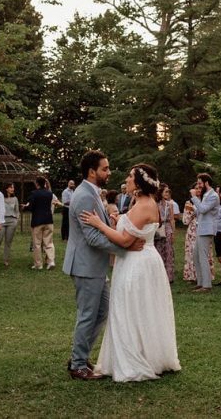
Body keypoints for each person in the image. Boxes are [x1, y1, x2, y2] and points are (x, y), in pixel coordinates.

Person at [79, 163, 181, 382]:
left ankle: (136, 359)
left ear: (139, 182)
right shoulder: (141, 202)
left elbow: (125, 240)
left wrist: (99, 224)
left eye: (130, 176)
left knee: (131, 308)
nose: (127, 178)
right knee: (137, 308)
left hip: (138, 264)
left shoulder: (145, 204)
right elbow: (131, 231)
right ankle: (147, 354)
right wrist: (118, 221)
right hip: (138, 260)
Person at [63, 150, 144, 381]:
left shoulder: (93, 193)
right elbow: (92, 237)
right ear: (92, 171)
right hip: (85, 266)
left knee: (102, 312)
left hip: (95, 266)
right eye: (105, 169)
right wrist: (125, 248)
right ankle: (78, 365)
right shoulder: (84, 196)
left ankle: (80, 356)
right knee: (88, 314)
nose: (109, 172)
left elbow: (101, 227)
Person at [190, 173, 219, 293]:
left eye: (200, 183)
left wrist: (194, 197)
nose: (199, 186)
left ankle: (206, 285)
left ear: (206, 183)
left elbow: (203, 209)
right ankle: (200, 282)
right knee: (196, 255)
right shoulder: (206, 195)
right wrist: (193, 209)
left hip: (207, 230)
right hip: (201, 228)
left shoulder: (213, 195)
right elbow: (201, 211)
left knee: (203, 257)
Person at [26, 177, 56, 270]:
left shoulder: (34, 193)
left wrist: (26, 207)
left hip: (37, 221)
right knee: (49, 242)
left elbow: (31, 207)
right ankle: (51, 261)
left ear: (37, 184)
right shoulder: (49, 194)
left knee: (37, 243)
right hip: (48, 220)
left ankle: (38, 264)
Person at [182, 199, 215, 283]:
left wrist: (196, 210)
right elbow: (185, 221)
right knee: (192, 253)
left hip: (204, 230)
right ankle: (192, 276)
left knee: (204, 253)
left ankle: (205, 277)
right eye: (196, 188)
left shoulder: (207, 202)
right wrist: (193, 212)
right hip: (192, 232)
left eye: (200, 188)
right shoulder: (188, 203)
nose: (198, 190)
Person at [155, 185, 176, 283]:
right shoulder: (156, 204)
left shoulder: (170, 204)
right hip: (158, 228)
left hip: (167, 228)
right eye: (166, 192)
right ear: (161, 193)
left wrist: (173, 232)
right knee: (159, 251)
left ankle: (169, 276)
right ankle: (159, 276)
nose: (167, 194)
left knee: (168, 252)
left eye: (168, 192)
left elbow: (172, 219)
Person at [1, 183, 20, 267]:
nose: (12, 189)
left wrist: (16, 220)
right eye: (11, 187)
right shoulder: (0, 198)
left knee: (8, 241)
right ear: (6, 188)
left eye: (13, 187)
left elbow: (17, 211)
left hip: (12, 221)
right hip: (2, 221)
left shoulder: (15, 199)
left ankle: (6, 260)